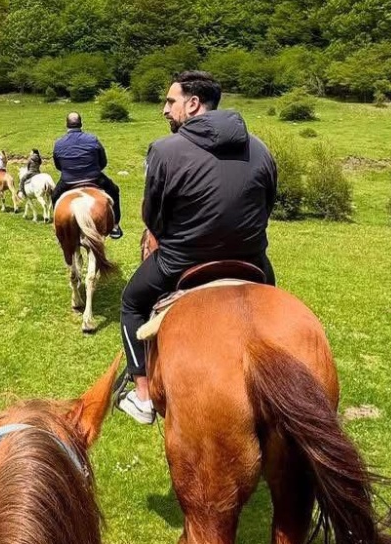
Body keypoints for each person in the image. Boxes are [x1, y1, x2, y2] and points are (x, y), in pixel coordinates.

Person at [117, 71, 277, 425]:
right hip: (251, 260)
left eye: (170, 101)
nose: (164, 110)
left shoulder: (164, 150)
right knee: (274, 303)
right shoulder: (261, 147)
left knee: (130, 303)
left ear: (193, 104)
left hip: (181, 262)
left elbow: (153, 217)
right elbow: (268, 205)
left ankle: (143, 396)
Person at [51, 113, 123, 239]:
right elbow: (103, 161)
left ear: (67, 124)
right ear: (81, 123)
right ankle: (115, 225)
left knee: (55, 196)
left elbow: (58, 165)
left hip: (68, 180)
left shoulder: (58, 143)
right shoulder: (92, 139)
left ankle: (58, 226)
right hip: (94, 178)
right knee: (114, 190)